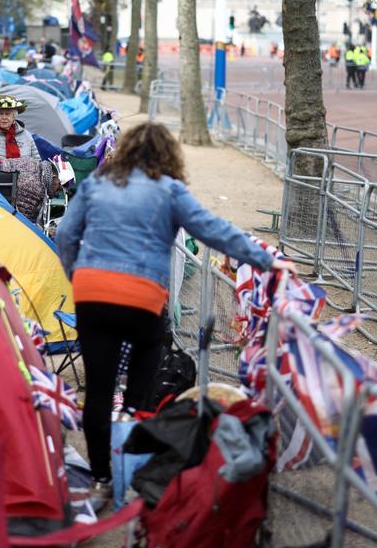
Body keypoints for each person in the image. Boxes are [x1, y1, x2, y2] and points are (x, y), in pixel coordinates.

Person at [55, 123, 294, 504]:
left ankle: (101, 478)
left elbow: (65, 234)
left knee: (98, 391)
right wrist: (266, 261)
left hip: (92, 291)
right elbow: (214, 231)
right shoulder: (170, 191)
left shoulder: (95, 185)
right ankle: (135, 454)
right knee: (142, 380)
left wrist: (77, 277)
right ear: (168, 157)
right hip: (141, 296)